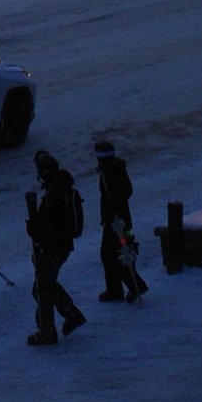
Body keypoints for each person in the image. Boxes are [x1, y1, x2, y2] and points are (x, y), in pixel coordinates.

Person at [24, 147, 86, 344]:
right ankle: (58, 322)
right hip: (60, 246)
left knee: (42, 287)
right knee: (44, 285)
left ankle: (52, 328)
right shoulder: (61, 189)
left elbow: (53, 224)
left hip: (53, 247)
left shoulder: (54, 194)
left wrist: (37, 229)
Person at [95, 138, 148, 301]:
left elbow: (112, 198)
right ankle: (115, 289)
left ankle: (134, 286)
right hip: (122, 220)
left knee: (114, 254)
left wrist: (110, 215)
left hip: (116, 222)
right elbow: (127, 191)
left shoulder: (108, 173)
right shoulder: (118, 168)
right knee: (115, 253)